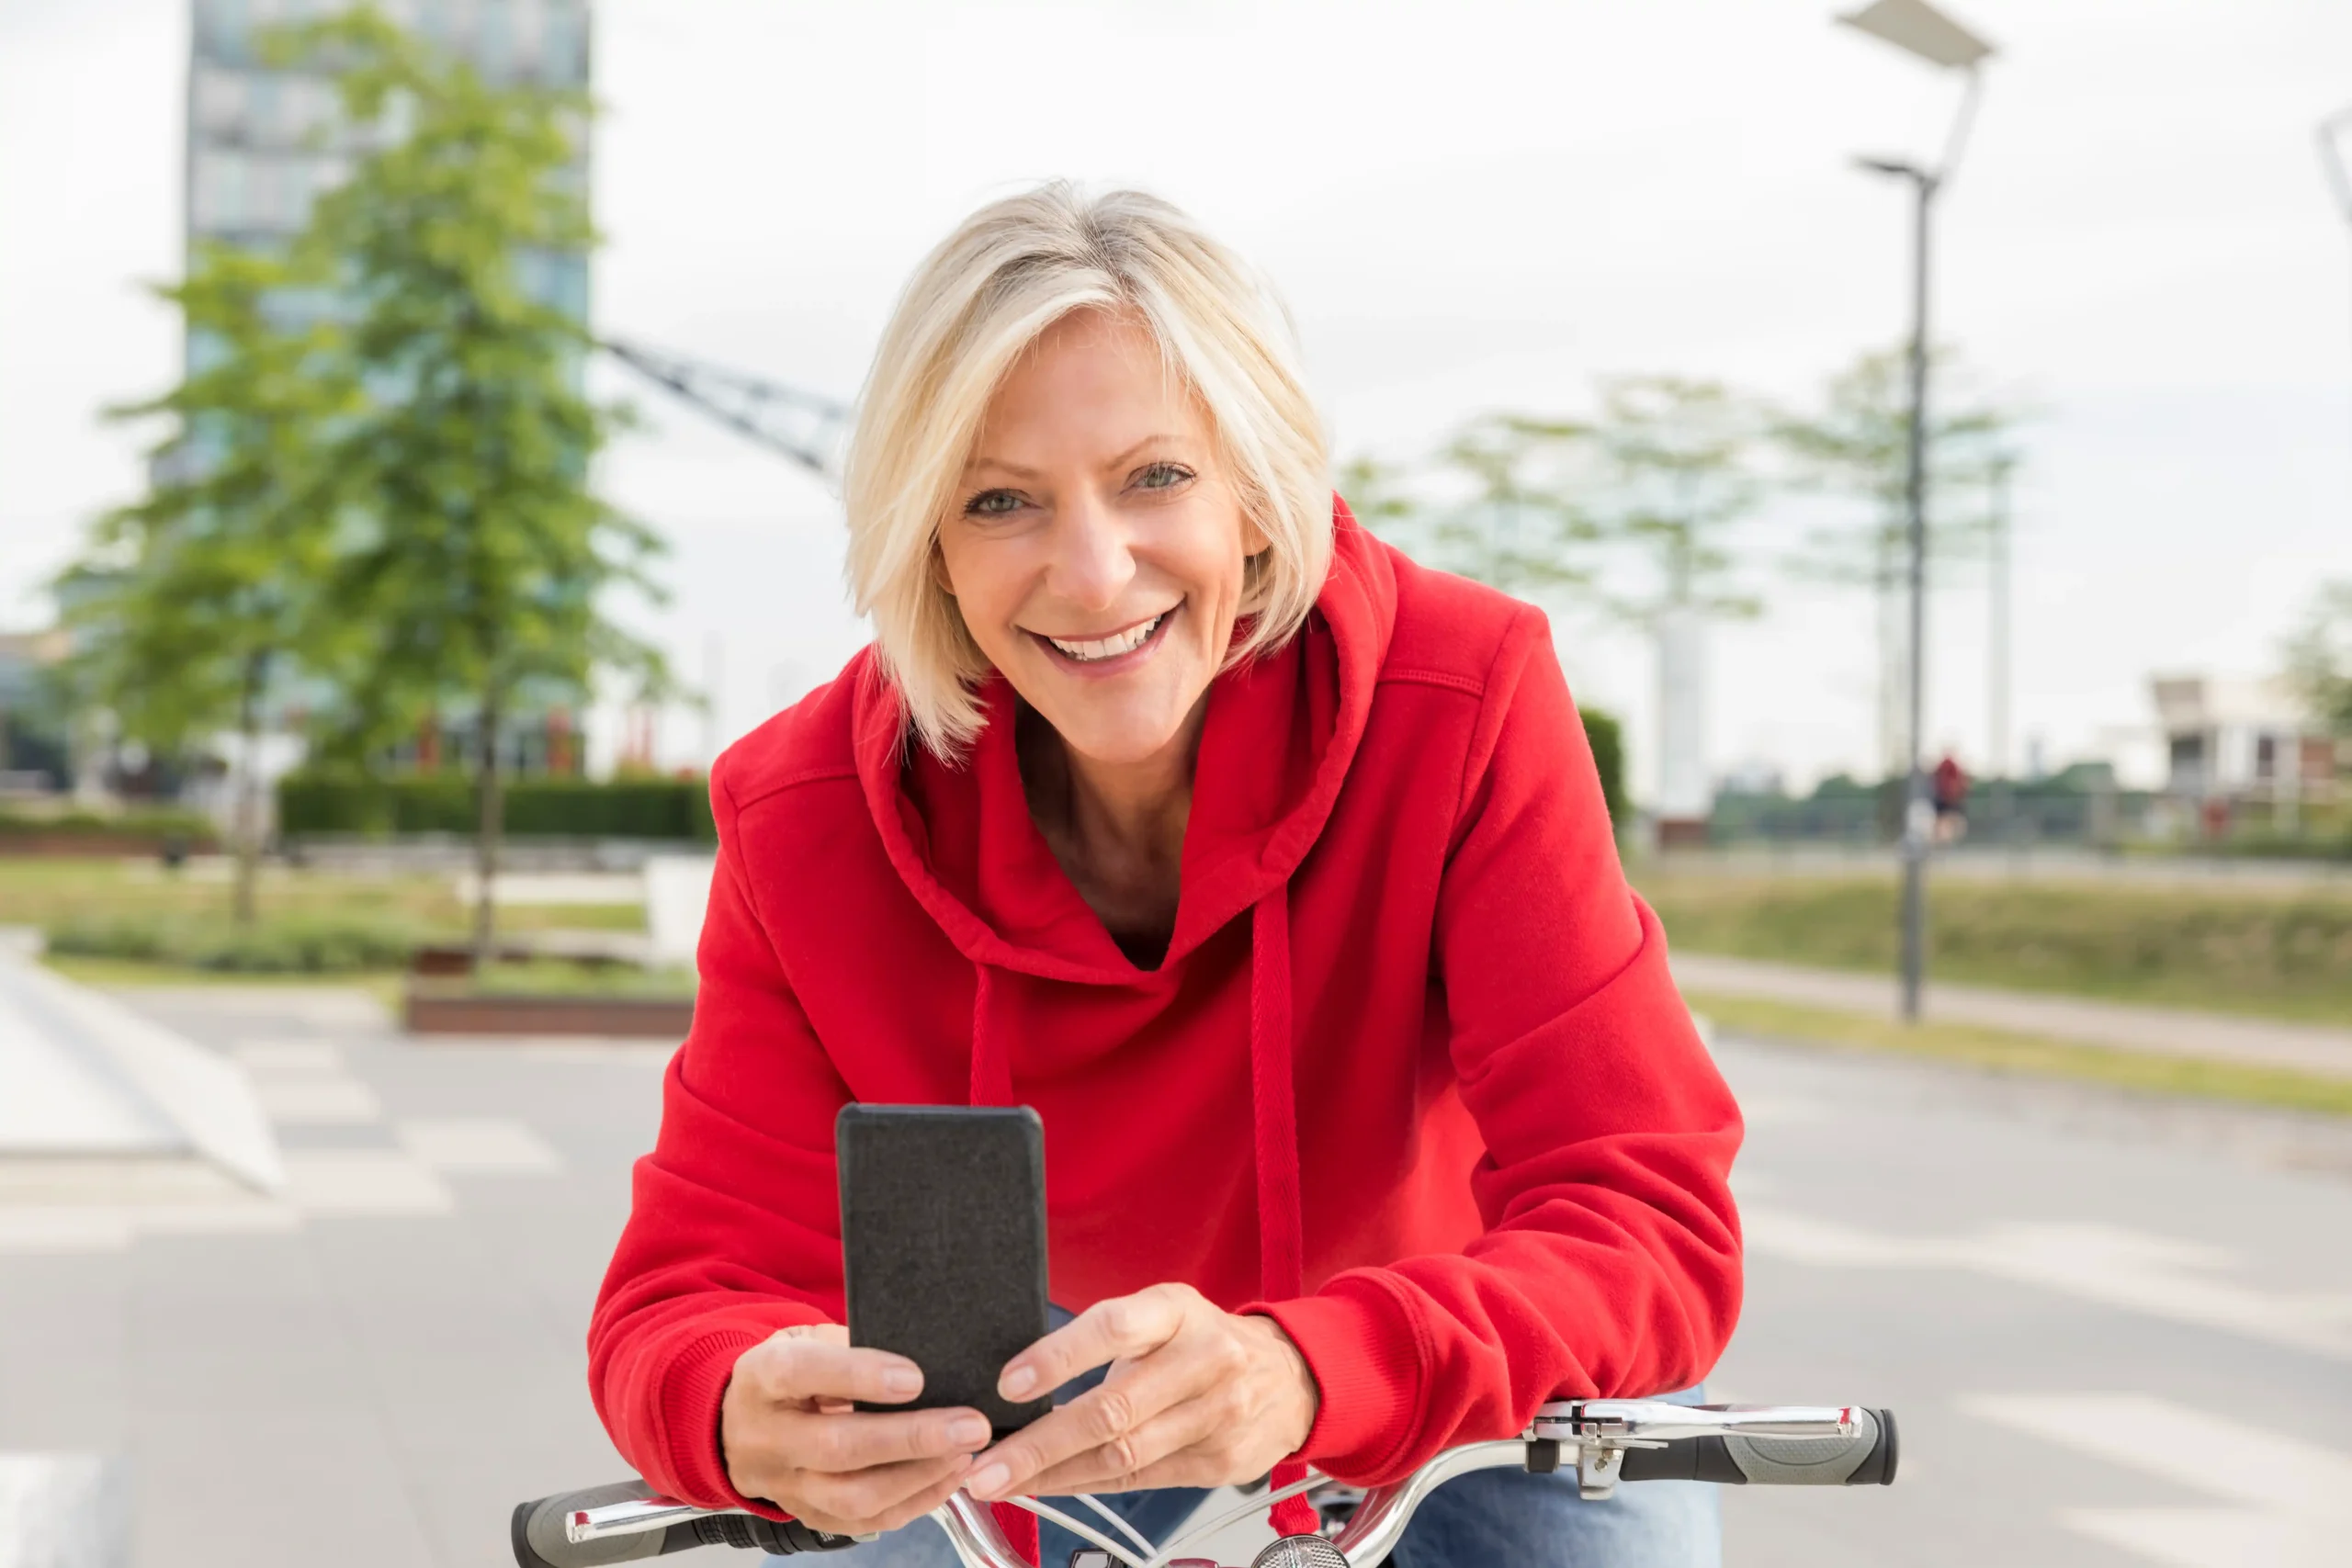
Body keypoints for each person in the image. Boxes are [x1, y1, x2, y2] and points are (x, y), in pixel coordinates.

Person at [588, 185, 1743, 1568]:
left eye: (1156, 477)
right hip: (1022, 1433)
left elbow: (1643, 1212)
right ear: (931, 550)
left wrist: (1313, 1366)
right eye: (1001, 500)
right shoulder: (806, 807)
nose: (1091, 572)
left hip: (1445, 1388)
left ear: (1258, 493)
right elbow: (683, 1286)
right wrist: (728, 1405)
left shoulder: (1464, 695)